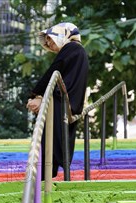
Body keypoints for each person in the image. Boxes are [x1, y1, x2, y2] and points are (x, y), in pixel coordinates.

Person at [26, 22, 89, 178]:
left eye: (50, 39)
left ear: (63, 34)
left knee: (48, 139)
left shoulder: (72, 48)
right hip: (69, 102)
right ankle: (47, 175)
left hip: (62, 98)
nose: (48, 44)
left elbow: (53, 71)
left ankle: (44, 178)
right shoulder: (78, 51)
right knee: (54, 139)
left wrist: (36, 95)